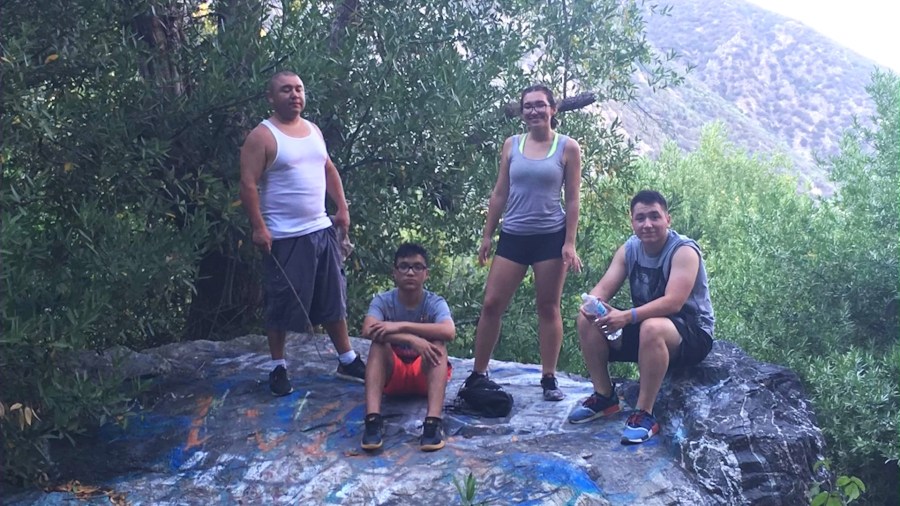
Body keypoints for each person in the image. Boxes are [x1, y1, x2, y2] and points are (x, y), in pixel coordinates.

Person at [239, 70, 366, 396]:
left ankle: (347, 358)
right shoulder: (262, 137)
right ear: (271, 97)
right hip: (284, 235)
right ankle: (278, 366)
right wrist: (259, 227)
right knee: (282, 301)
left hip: (321, 228)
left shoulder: (312, 130)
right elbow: (248, 184)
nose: (294, 95)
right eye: (285, 90)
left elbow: (328, 168)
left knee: (332, 296)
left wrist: (342, 209)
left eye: (298, 89)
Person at [465, 84, 583, 402]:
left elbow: (572, 199)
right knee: (491, 304)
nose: (533, 111)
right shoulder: (511, 145)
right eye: (527, 106)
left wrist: (569, 243)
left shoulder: (567, 147)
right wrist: (488, 234)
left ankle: (548, 378)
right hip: (514, 235)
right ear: (521, 111)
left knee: (548, 306)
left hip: (550, 237)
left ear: (552, 109)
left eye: (540, 105)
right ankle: (479, 372)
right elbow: (499, 192)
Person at [568, 190, 714, 445]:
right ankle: (604, 396)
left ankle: (644, 413)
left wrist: (626, 317)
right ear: (632, 221)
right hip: (648, 326)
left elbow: (673, 302)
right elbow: (603, 289)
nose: (647, 224)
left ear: (668, 219)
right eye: (641, 218)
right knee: (587, 321)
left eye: (655, 217)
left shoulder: (683, 251)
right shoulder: (630, 249)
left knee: (651, 328)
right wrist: (592, 304)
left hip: (691, 333)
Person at [360, 243, 455, 452]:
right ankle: (373, 421)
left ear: (426, 273)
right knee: (378, 344)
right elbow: (368, 329)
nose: (410, 272)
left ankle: (432, 425)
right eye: (404, 266)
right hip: (392, 374)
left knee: (439, 345)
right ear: (395, 272)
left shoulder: (434, 302)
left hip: (423, 374)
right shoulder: (383, 300)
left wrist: (401, 326)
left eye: (417, 267)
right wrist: (412, 339)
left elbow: (449, 332)